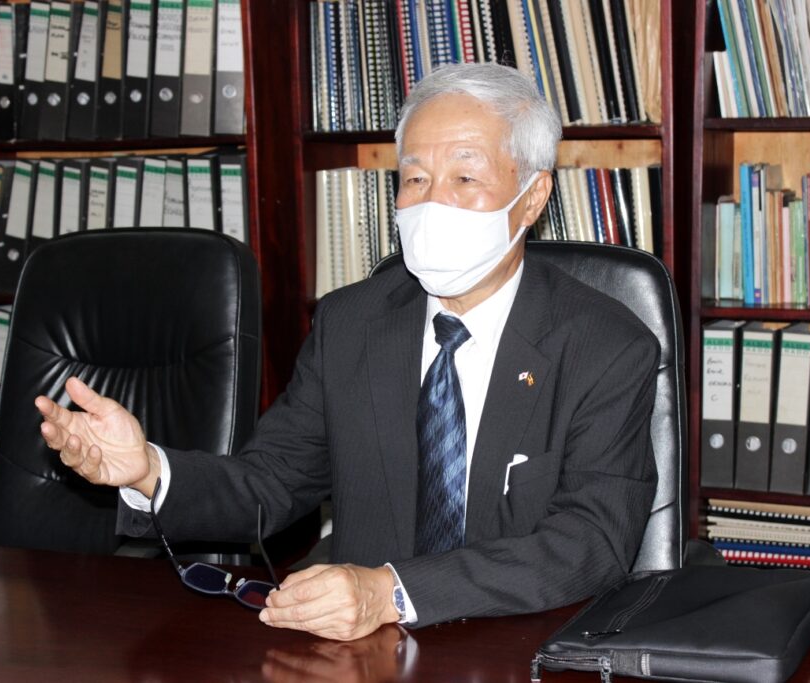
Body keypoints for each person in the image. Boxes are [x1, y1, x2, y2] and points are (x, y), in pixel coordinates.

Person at [36, 62, 659, 642]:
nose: (430, 202)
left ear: (531, 196)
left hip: (519, 644)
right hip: (357, 651)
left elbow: (591, 543)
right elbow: (271, 483)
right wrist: (147, 468)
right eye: (415, 177)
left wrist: (391, 591)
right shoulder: (352, 322)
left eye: (465, 177)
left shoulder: (605, 345)